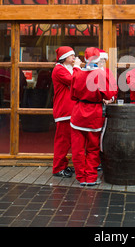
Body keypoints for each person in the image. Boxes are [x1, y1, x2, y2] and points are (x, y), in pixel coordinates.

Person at [70, 47, 117, 186]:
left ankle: (80, 177)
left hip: (78, 113)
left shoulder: (77, 73)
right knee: (92, 148)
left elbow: (72, 94)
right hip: (94, 115)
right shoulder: (100, 74)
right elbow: (108, 94)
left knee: (77, 149)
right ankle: (90, 178)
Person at [52, 46, 76, 177]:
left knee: (68, 141)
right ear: (64, 57)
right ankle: (57, 168)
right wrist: (78, 68)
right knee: (62, 141)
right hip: (64, 111)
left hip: (69, 110)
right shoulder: (59, 69)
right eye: (71, 55)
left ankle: (63, 165)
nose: (74, 57)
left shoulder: (67, 69)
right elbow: (74, 80)